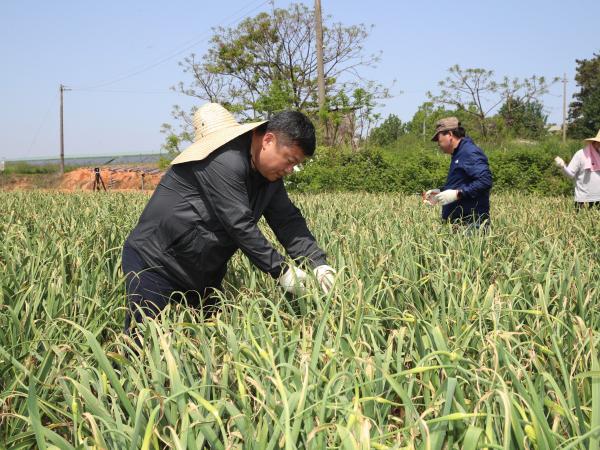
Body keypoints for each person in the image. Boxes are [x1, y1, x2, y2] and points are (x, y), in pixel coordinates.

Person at [122, 103, 336, 332]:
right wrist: (281, 270)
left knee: (213, 340)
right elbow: (239, 224)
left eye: (297, 164)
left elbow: (288, 221)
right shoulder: (223, 160)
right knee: (143, 342)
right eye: (290, 160)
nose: (291, 169)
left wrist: (317, 264)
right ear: (268, 140)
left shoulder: (269, 177)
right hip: (156, 263)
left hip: (203, 271)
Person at [424, 117, 493, 230]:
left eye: (439, 139)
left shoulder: (469, 152)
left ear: (450, 135)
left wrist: (458, 194)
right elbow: (461, 183)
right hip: (459, 224)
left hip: (471, 224)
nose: (438, 144)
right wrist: (440, 193)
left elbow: (485, 181)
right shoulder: (458, 154)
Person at [554, 129, 600, 210]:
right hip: (583, 201)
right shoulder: (581, 154)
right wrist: (562, 166)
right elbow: (571, 175)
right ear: (596, 142)